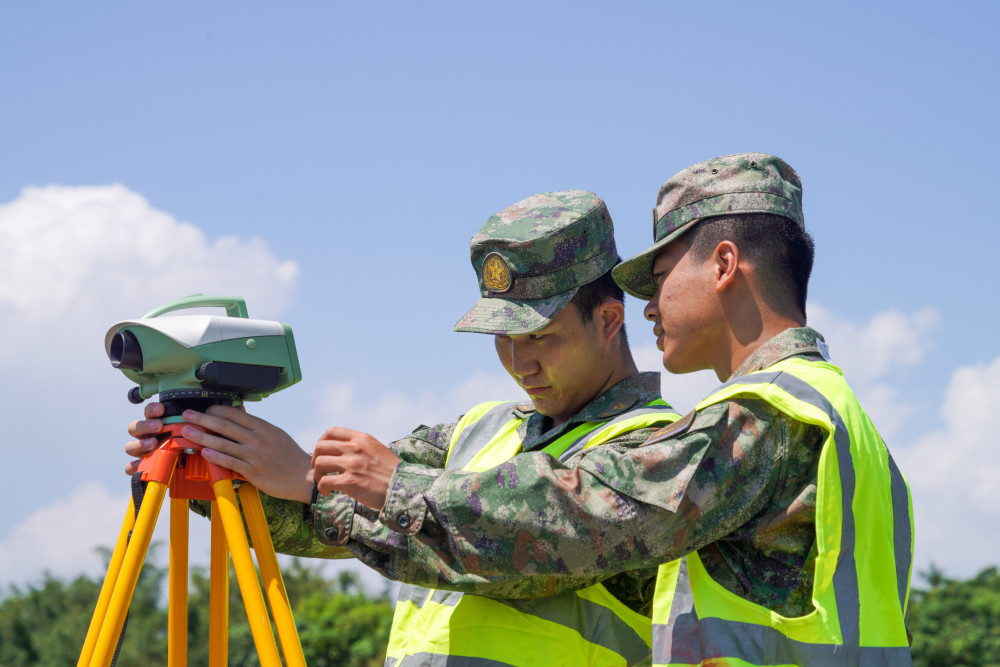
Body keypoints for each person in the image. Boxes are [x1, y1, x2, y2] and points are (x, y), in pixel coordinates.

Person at [318, 154, 916, 665]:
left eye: (659, 278)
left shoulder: (767, 416)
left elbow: (584, 513)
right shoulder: (836, 418)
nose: (649, 307)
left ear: (725, 265)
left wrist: (400, 487)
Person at [127, 189, 681, 666]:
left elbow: (527, 543)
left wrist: (316, 484)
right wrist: (217, 456)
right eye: (503, 338)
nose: (519, 362)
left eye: (538, 336)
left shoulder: (657, 449)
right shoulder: (477, 431)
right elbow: (328, 521)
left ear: (609, 319)